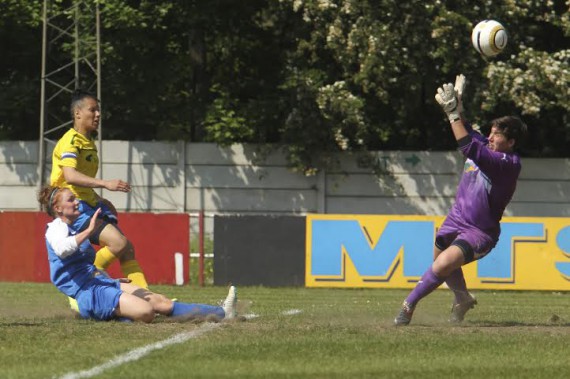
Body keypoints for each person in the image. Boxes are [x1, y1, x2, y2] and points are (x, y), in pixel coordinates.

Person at [394, 74, 528, 325]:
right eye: (490, 132)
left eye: (496, 135)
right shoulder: (488, 146)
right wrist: (458, 104)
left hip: (480, 232)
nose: (489, 137)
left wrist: (452, 113)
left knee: (443, 264)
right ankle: (463, 298)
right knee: (441, 264)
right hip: (456, 219)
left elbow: (467, 145)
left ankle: (407, 306)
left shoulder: (507, 163)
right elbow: (467, 131)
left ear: (511, 142)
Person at [38, 185, 237, 322]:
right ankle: (113, 316)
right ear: (57, 208)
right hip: (89, 295)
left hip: (99, 283)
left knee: (162, 303)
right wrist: (89, 231)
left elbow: (86, 268)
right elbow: (62, 249)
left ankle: (223, 312)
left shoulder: (74, 227)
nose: (77, 202)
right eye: (71, 199)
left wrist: (109, 278)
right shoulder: (55, 229)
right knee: (147, 311)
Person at [50, 89, 148, 291]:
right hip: (74, 207)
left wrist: (99, 199)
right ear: (77, 113)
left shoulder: (88, 142)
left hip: (88, 203)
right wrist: (106, 183)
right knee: (118, 243)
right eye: (92, 110)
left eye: (98, 110)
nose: (98, 115)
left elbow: (79, 181)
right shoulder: (71, 141)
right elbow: (70, 176)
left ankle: (145, 297)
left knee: (127, 248)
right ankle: (85, 278)